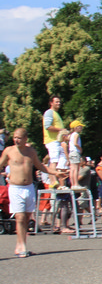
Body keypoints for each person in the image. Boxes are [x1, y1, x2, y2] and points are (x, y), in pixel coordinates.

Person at [0, 128, 65, 256]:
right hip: (15, 188)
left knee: (26, 218)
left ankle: (20, 244)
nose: (16, 140)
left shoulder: (31, 151)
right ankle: (22, 247)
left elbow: (40, 166)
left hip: (29, 187)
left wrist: (56, 173)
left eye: (19, 138)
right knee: (19, 217)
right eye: (15, 137)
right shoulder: (9, 150)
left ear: (25, 139)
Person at [42, 96, 64, 165]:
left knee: (57, 163)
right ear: (51, 103)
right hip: (52, 141)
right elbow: (48, 126)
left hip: (57, 141)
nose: (59, 103)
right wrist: (61, 130)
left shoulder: (56, 113)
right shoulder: (49, 112)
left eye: (59, 102)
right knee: (54, 162)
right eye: (56, 102)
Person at [68, 120, 84, 189]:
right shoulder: (76, 134)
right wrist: (80, 149)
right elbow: (75, 143)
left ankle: (72, 184)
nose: (81, 128)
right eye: (80, 126)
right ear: (76, 127)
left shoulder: (71, 135)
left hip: (71, 152)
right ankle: (76, 184)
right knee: (76, 169)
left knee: (72, 169)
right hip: (75, 152)